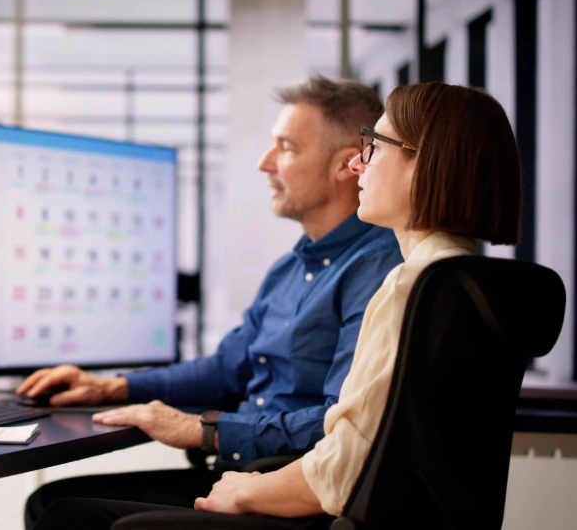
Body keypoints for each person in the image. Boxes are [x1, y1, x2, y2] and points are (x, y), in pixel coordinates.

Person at [30, 82, 523, 530]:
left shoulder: (407, 284)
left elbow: (347, 462)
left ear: (426, 163)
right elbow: (232, 367)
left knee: (70, 517)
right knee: (63, 508)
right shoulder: (440, 276)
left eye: (373, 148)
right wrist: (115, 385)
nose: (359, 166)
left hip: (306, 494)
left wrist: (233, 468)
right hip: (302, 486)